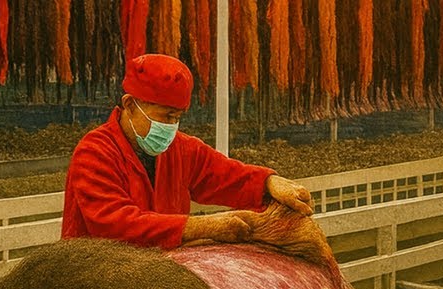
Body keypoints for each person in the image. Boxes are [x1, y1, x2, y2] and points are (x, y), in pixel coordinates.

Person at [62, 54, 313, 248]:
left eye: (177, 117)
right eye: (166, 116)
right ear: (130, 104)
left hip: (158, 274)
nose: (171, 126)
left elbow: (224, 175)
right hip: (96, 280)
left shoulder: (180, 148)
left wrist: (270, 183)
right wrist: (199, 227)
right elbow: (115, 225)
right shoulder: (94, 152)